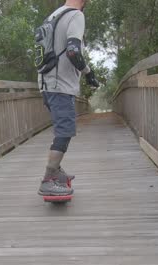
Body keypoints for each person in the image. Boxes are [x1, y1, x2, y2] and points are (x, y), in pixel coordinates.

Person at [38, 0, 99, 197]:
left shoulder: (54, 15)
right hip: (60, 85)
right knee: (65, 131)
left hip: (46, 84)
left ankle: (56, 172)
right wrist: (88, 73)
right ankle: (48, 179)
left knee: (62, 130)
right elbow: (73, 51)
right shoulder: (76, 15)